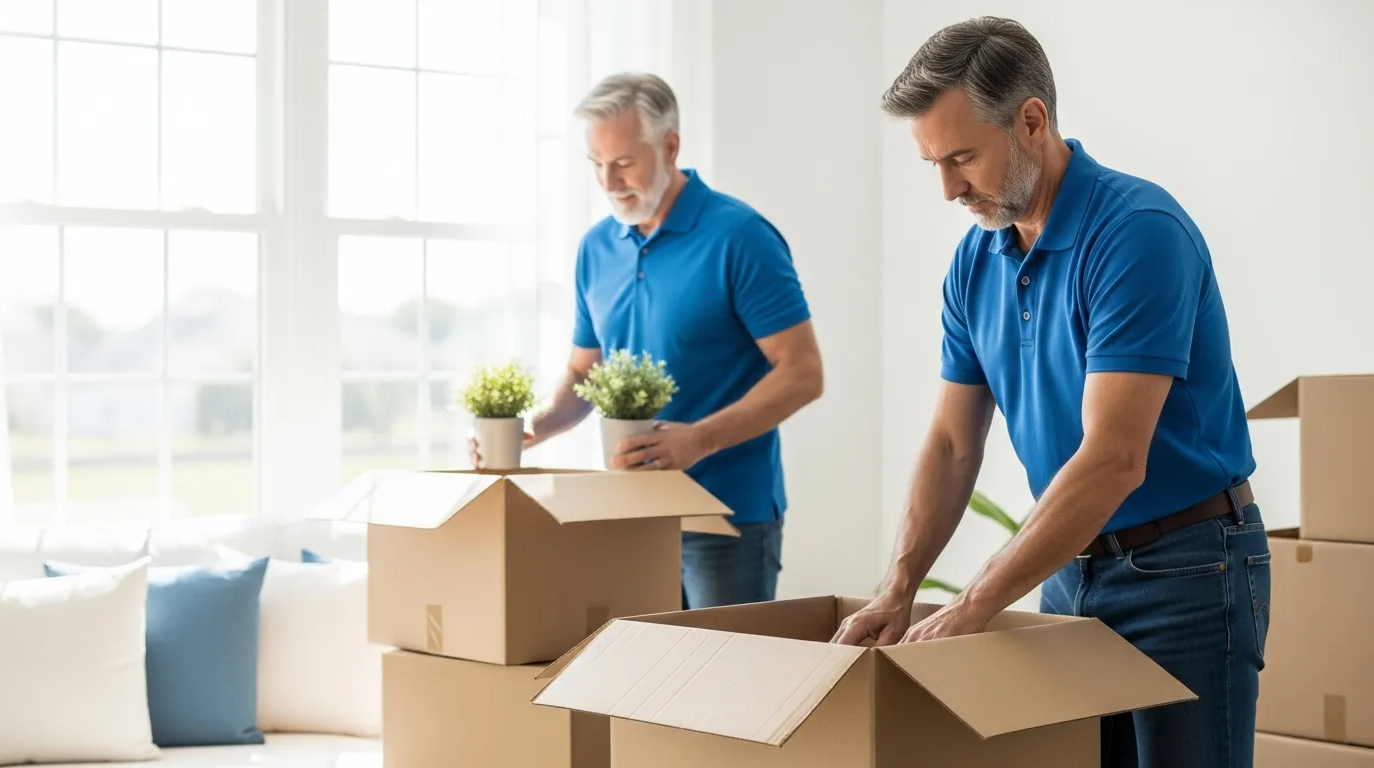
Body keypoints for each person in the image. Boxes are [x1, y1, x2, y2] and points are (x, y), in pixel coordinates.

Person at [833, 17, 1269, 768]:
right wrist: (900, 587)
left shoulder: (1137, 234)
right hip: (1069, 571)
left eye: (963, 157)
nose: (946, 189)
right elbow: (950, 441)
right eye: (932, 162)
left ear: (1031, 121)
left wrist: (973, 605)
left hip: (1187, 572)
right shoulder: (976, 263)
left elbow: (1112, 459)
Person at [469, 72, 824, 610]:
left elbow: (802, 373)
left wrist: (699, 439)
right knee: (643, 684)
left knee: (721, 683)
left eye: (624, 163)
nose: (610, 182)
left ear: (671, 146)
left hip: (727, 515)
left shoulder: (740, 237)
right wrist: (529, 429)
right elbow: (586, 373)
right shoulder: (595, 249)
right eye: (597, 166)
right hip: (630, 514)